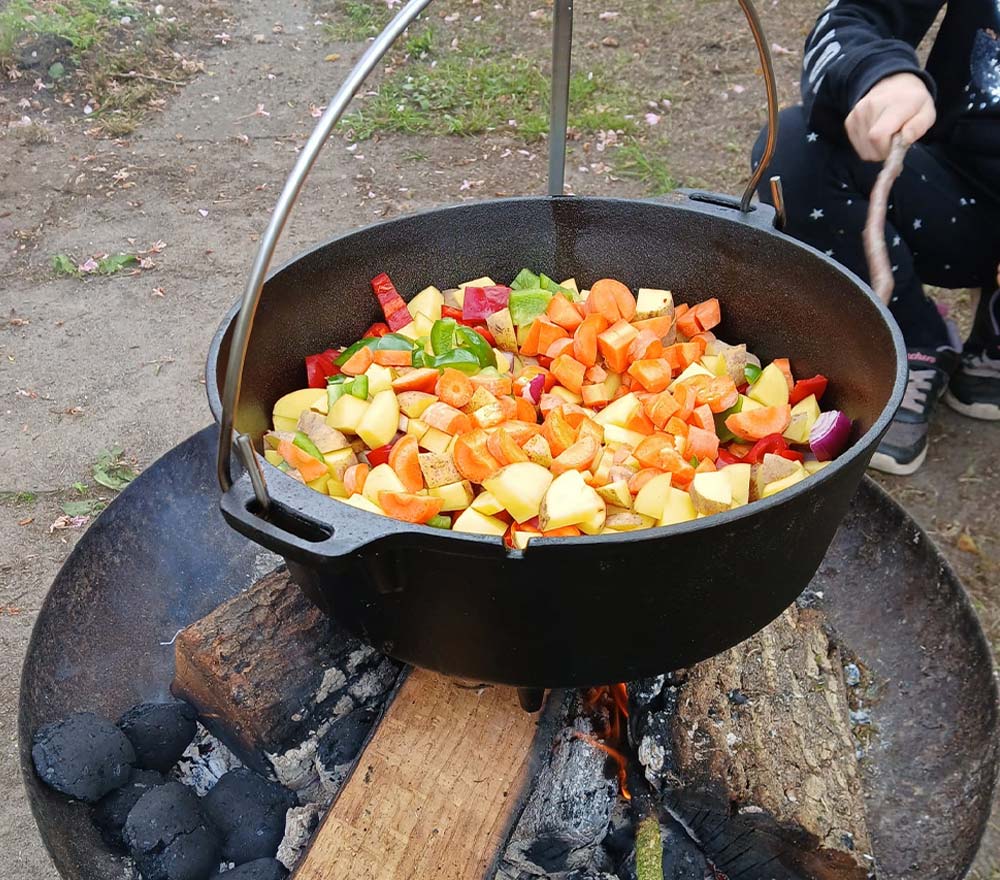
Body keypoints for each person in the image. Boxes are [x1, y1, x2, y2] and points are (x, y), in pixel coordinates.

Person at [751, 0, 1000, 475]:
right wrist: (876, 72)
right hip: (952, 195)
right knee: (796, 151)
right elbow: (852, 17)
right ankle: (911, 340)